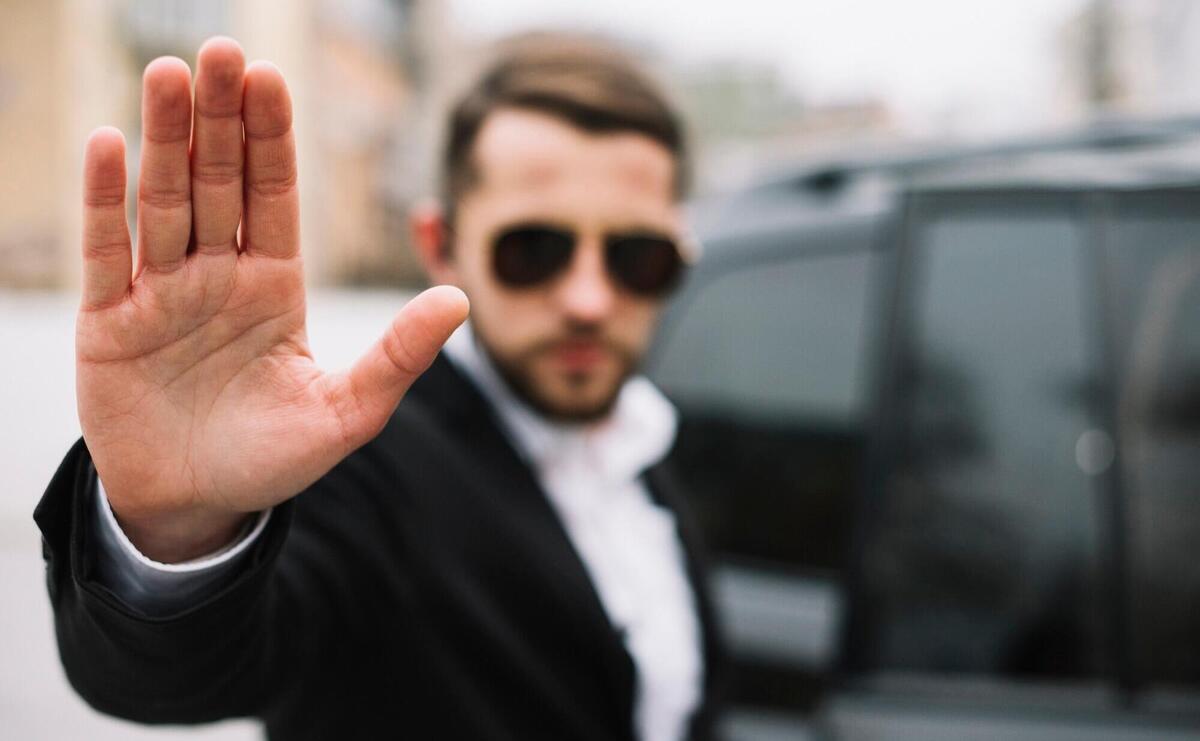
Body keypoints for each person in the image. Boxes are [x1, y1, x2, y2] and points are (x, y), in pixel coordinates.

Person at [35, 32, 724, 741]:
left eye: (636, 257)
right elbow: (173, 675)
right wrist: (178, 530)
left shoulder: (650, 450)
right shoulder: (360, 468)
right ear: (440, 246)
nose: (588, 299)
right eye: (534, 250)